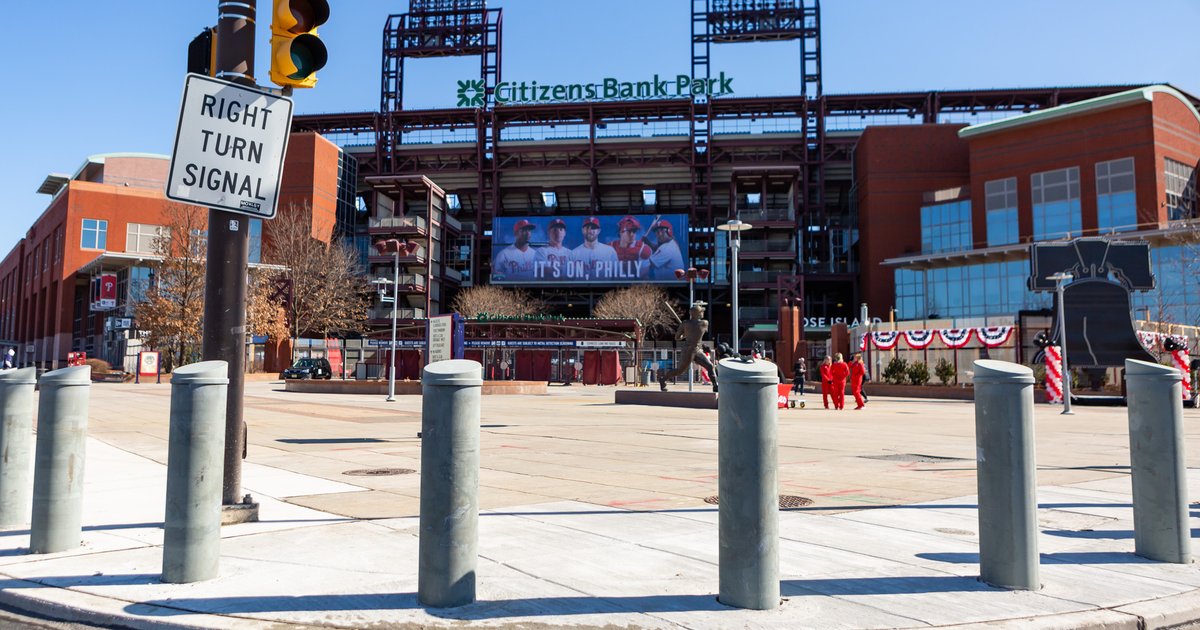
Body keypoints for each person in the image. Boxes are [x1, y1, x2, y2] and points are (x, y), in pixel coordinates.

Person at [659, 302, 717, 392]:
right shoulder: (705, 323)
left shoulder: (686, 323)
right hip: (688, 350)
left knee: (710, 366)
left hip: (696, 349)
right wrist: (687, 331)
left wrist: (684, 333)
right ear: (697, 314)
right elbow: (697, 333)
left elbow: (677, 337)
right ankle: (663, 379)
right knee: (680, 371)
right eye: (701, 312)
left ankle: (715, 385)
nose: (703, 313)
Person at [570, 216, 618, 280]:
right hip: (580, 289)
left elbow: (618, 276)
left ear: (598, 231)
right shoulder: (574, 253)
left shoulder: (610, 251)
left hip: (605, 289)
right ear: (582, 230)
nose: (590, 230)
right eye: (587, 227)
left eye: (593, 228)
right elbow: (567, 279)